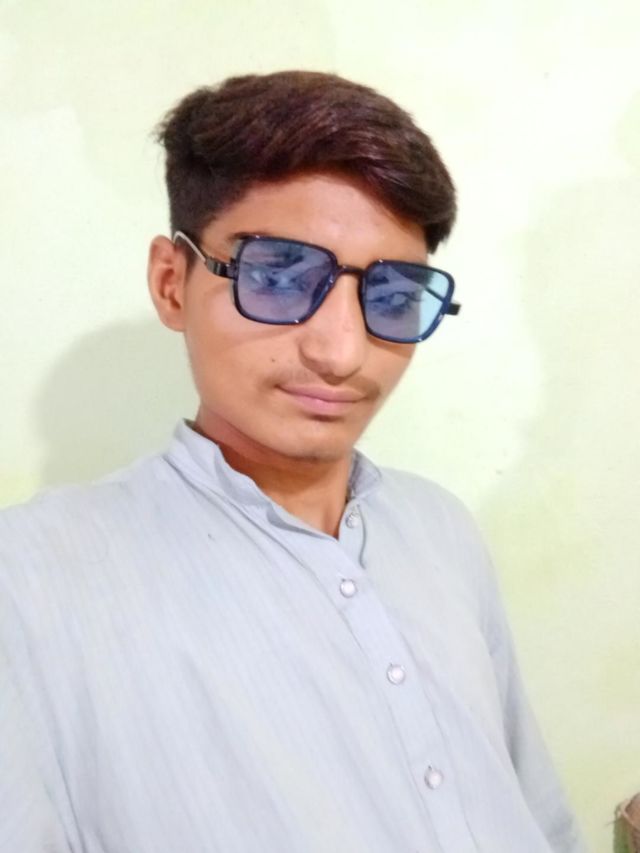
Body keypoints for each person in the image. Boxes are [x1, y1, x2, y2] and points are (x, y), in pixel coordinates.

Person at [0, 71, 585, 853]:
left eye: (393, 295)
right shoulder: (31, 580)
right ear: (172, 283)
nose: (341, 351)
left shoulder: (439, 530)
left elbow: (540, 818)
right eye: (277, 277)